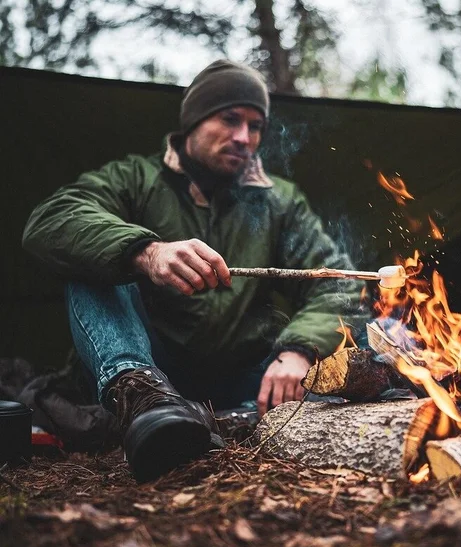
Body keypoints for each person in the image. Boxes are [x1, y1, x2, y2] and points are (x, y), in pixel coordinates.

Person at [22, 60, 366, 482]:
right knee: (92, 259)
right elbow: (51, 220)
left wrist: (299, 351)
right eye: (230, 119)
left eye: (255, 126)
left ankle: (233, 416)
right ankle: (142, 399)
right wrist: (145, 252)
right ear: (192, 121)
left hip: (246, 378)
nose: (244, 137)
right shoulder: (135, 178)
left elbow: (339, 283)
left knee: (377, 334)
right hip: (155, 365)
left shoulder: (279, 201)